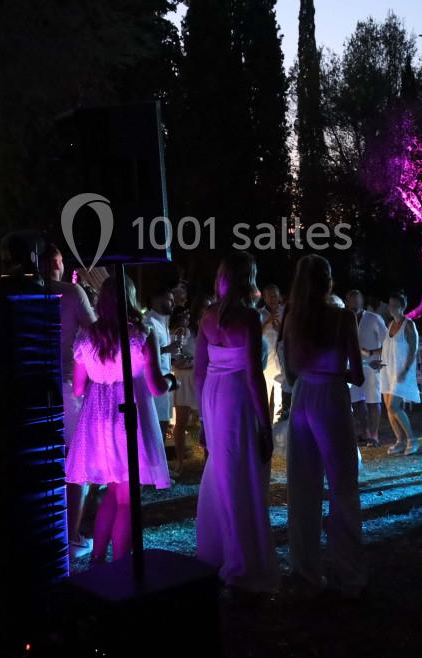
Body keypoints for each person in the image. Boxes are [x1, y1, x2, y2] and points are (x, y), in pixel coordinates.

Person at [64, 275, 171, 563]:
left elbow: (77, 387)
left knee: (113, 491)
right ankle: (122, 566)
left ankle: (98, 558)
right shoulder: (142, 333)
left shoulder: (87, 337)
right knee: (127, 498)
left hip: (97, 418)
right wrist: (171, 380)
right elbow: (156, 386)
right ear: (130, 299)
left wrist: (102, 379)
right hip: (129, 416)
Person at [282, 255, 368, 596]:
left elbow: (289, 372)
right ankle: (347, 572)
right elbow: (358, 374)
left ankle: (305, 568)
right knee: (343, 483)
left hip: (303, 394)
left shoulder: (293, 317)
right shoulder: (343, 317)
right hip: (331, 396)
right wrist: (338, 372)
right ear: (328, 280)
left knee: (303, 486)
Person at [195, 253, 280, 594]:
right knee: (241, 472)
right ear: (248, 279)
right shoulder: (246, 318)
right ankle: (243, 559)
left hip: (214, 396)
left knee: (222, 470)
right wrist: (265, 425)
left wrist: (204, 417)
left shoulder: (208, 317)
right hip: (236, 397)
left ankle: (222, 547)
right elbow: (253, 375)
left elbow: (200, 370)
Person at [44, 244, 99, 558]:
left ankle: (47, 531)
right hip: (67, 388)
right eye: (59, 260)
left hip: (28, 390)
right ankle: (71, 537)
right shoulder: (72, 293)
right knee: (78, 464)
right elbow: (95, 333)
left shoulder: (18, 293)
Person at [380, 290, 421, 455]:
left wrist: (405, 370)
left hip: (402, 370)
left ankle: (412, 439)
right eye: (390, 305)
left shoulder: (408, 324)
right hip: (387, 370)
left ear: (402, 307)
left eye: (394, 305)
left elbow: (413, 349)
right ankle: (400, 440)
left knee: (394, 405)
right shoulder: (390, 324)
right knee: (389, 408)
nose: (391, 308)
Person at [346, 290, 387, 447]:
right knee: (356, 401)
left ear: (362, 301)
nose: (355, 303)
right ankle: (363, 432)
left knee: (373, 400)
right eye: (352, 300)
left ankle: (374, 435)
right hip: (352, 365)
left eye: (358, 300)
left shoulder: (373, 318)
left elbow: (387, 343)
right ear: (347, 302)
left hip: (372, 365)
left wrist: (372, 353)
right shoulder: (345, 319)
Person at [170, 299, 204, 475]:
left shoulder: (197, 334)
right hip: (182, 379)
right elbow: (172, 358)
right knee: (181, 422)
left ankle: (208, 460)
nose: (185, 319)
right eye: (182, 317)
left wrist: (193, 362)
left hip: (197, 378)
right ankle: (180, 462)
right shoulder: (174, 335)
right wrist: (178, 362)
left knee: (204, 421)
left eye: (187, 317)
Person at [146, 286, 177, 438]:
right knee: (157, 428)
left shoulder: (162, 321)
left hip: (165, 380)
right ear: (157, 300)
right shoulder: (149, 322)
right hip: (154, 381)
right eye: (169, 300)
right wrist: (167, 350)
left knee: (164, 424)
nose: (173, 303)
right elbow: (144, 353)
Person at [261, 284, 287, 422]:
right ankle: (264, 429)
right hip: (265, 362)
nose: (272, 299)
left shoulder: (285, 313)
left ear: (280, 297)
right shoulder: (260, 313)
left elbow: (290, 335)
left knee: (279, 399)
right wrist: (267, 323)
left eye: (275, 295)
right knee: (263, 398)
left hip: (282, 362)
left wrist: (280, 330)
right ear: (264, 298)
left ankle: (277, 432)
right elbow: (253, 335)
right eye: (269, 296)